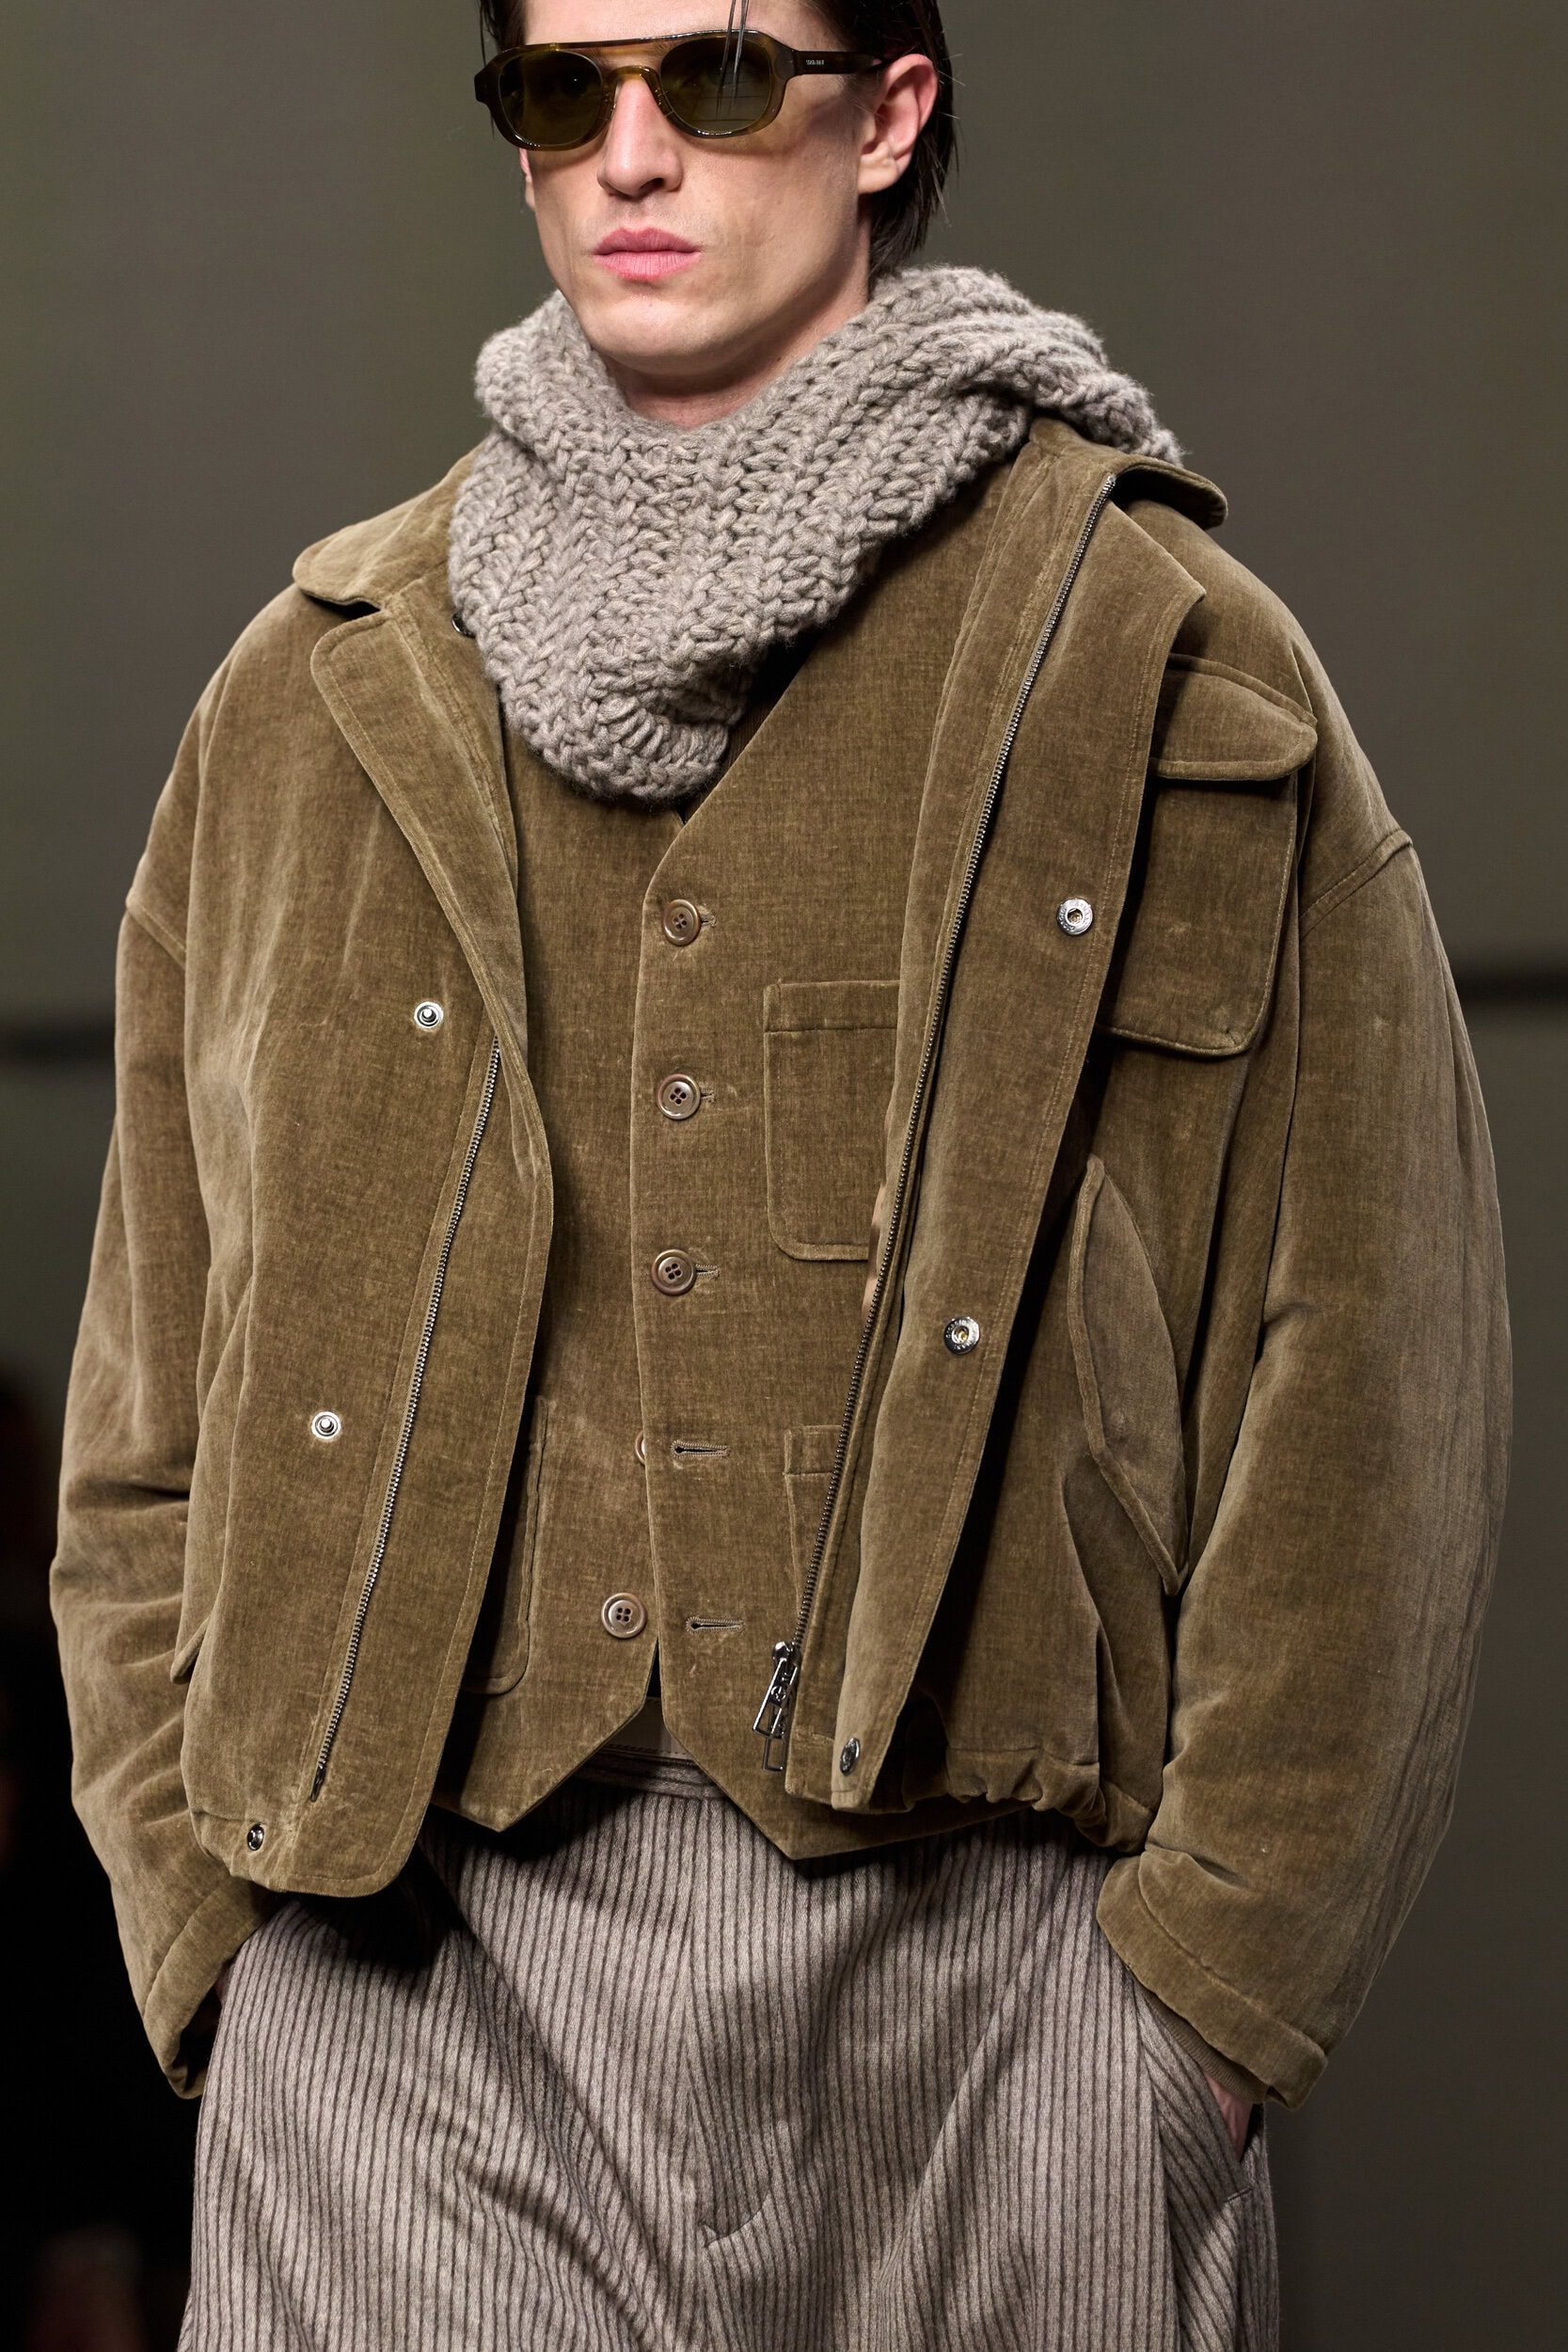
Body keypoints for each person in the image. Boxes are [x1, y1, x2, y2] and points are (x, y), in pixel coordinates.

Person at [52, 3, 1510, 2346]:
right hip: (405, 1994)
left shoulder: (1154, 660)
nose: (634, 154)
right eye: (565, 91)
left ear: (891, 111)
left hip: (1008, 2004)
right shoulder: (312, 699)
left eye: (718, 78)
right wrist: (221, 1958)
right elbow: (147, 1417)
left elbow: (1374, 1369)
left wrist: (1207, 2008)